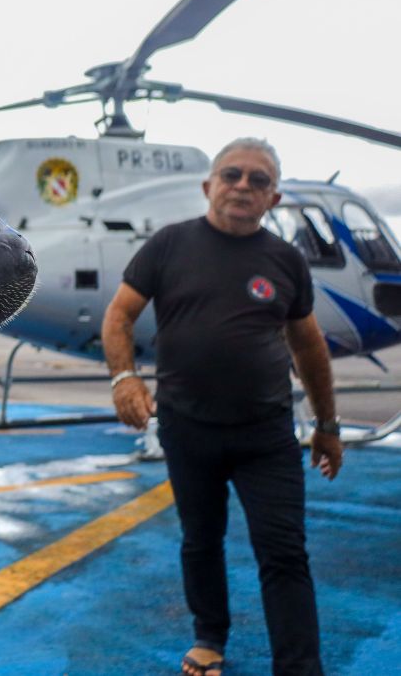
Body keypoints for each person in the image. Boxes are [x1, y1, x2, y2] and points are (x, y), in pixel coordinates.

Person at [101, 137, 344, 676]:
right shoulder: (167, 246)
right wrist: (124, 378)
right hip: (188, 431)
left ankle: (299, 667)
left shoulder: (285, 261)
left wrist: (327, 426)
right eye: (232, 175)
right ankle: (209, 636)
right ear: (208, 186)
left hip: (267, 436)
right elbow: (119, 316)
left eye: (259, 180)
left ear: (273, 199)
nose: (243, 186)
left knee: (284, 553)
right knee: (201, 540)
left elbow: (308, 346)